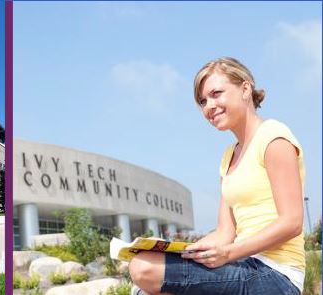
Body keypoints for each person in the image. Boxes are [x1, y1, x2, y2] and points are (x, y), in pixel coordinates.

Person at [129, 57, 306, 295]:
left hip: (277, 275)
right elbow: (225, 233)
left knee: (144, 269)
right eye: (203, 101)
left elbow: (292, 222)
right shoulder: (228, 157)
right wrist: (181, 251)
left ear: (245, 88)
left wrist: (230, 253)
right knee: (143, 282)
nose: (208, 106)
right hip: (244, 265)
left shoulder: (274, 138)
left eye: (216, 94)